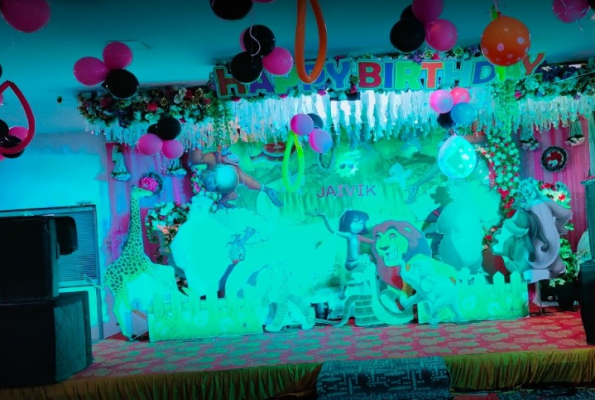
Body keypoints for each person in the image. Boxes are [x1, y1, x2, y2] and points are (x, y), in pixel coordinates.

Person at [189, 145, 283, 208]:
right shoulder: (216, 161)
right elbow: (247, 180)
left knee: (241, 182)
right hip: (223, 172)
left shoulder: (219, 163)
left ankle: (267, 190)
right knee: (241, 182)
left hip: (224, 174)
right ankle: (267, 190)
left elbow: (247, 181)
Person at [308, 209, 373, 298]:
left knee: (368, 265)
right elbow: (333, 230)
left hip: (355, 262)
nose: (358, 226)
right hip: (349, 264)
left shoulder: (356, 236)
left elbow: (370, 241)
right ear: (348, 223)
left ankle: (346, 288)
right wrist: (324, 217)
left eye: (361, 223)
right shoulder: (348, 235)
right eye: (355, 222)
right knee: (362, 263)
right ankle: (344, 288)